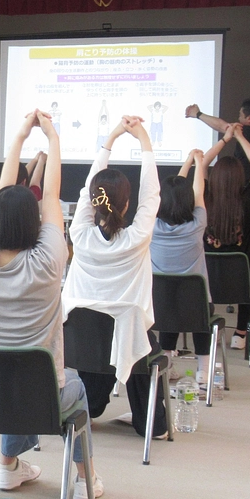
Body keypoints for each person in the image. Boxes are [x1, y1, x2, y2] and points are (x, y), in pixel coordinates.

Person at [0, 110, 102, 499]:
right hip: (36, 392)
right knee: (71, 385)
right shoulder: (48, 262)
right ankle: (84, 480)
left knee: (12, 370)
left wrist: (20, 137)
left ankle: (9, 466)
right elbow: (52, 195)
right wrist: (54, 138)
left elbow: (1, 196)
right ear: (35, 222)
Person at [62, 115, 168, 440]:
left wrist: (110, 139)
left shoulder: (78, 234)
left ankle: (92, 400)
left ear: (93, 202)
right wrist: (144, 141)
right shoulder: (137, 238)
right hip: (127, 341)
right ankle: (148, 420)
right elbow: (153, 195)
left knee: (91, 405)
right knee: (142, 340)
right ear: (126, 203)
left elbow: (85, 192)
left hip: (84, 342)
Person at [201, 123, 250, 350]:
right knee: (249, 277)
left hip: (207, 282)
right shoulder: (247, 203)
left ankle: (206, 327)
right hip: (242, 283)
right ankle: (240, 334)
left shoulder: (204, 201)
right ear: (240, 180)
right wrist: (240, 137)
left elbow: (201, 165)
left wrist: (225, 139)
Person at [151, 149, 211, 384]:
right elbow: (198, 192)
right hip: (195, 302)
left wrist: (187, 162)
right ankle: (203, 370)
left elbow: (174, 195)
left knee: (169, 305)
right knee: (200, 312)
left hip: (160, 303)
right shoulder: (197, 224)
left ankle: (167, 363)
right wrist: (197, 162)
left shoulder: (152, 227)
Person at [185, 98, 250, 195]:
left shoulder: (247, 132)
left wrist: (198, 114)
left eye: (240, 115)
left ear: (249, 119)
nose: (238, 119)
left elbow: (222, 126)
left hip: (244, 188)